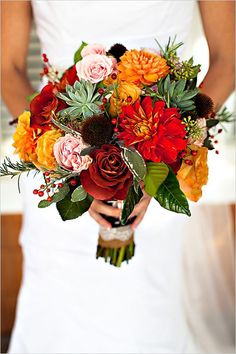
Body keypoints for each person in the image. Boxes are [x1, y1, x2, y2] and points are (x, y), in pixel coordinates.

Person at [1, 1, 235, 353]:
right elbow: (9, 66)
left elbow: (229, 60)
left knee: (147, 321)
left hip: (155, 184)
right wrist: (65, 163)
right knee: (56, 323)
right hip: (58, 173)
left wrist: (161, 160)